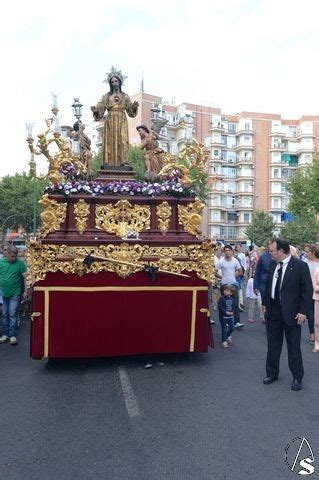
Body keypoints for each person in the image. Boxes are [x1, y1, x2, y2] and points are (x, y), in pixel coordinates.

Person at [262, 237, 313, 391]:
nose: (270, 254)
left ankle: (297, 377)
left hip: (292, 313)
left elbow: (307, 290)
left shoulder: (300, 266)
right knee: (273, 345)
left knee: (293, 348)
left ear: (282, 251)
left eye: (272, 251)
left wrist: (303, 311)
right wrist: (265, 303)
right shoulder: (273, 264)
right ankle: (272, 373)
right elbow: (268, 286)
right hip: (273, 311)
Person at [91, 70, 139, 166]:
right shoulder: (106, 96)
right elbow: (100, 108)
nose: (114, 84)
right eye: (112, 82)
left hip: (122, 120)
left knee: (123, 140)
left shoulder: (125, 96)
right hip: (110, 120)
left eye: (116, 81)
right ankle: (108, 161)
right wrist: (96, 111)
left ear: (120, 82)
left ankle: (124, 161)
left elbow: (130, 111)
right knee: (109, 140)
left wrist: (134, 107)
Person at [0, 245, 28, 345]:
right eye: (12, 256)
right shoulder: (1, 262)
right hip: (3, 293)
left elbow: (26, 278)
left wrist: (25, 290)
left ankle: (12, 335)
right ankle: (5, 334)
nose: (14, 258)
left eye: (15, 256)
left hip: (15, 293)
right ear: (7, 254)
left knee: (12, 314)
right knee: (4, 315)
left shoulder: (20, 263)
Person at [215, 245, 244, 328]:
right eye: (226, 250)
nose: (227, 252)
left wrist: (233, 276)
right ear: (224, 252)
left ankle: (237, 322)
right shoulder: (221, 262)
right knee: (226, 303)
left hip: (233, 284)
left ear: (232, 251)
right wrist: (222, 277)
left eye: (229, 250)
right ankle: (226, 321)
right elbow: (215, 272)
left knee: (235, 303)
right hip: (224, 284)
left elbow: (240, 272)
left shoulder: (235, 261)